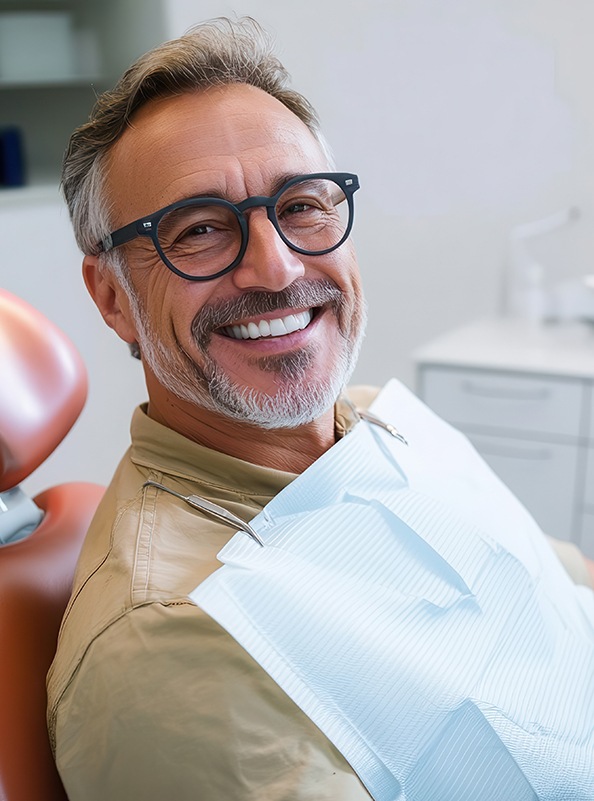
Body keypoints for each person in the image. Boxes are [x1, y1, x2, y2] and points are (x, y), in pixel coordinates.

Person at [47, 17, 594, 801]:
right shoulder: (172, 638)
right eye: (199, 230)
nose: (275, 267)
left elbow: (563, 588)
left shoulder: (381, 423)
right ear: (112, 298)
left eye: (301, 206)